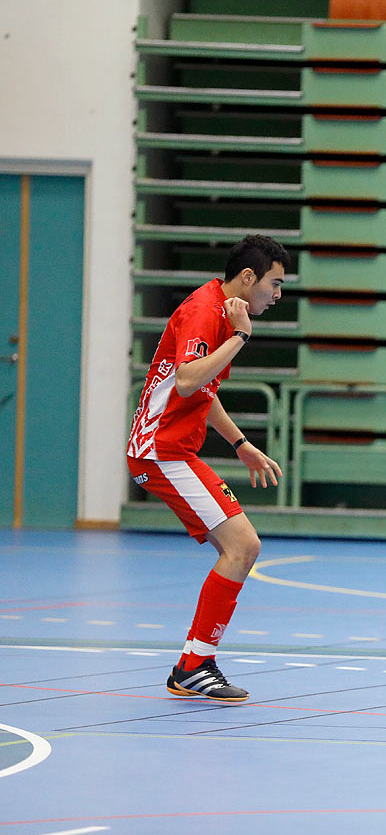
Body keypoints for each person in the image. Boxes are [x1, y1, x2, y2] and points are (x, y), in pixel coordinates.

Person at [127, 235, 289, 703]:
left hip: (173, 449)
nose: (277, 295)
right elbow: (187, 379)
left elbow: (204, 391)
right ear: (246, 278)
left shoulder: (220, 309)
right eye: (274, 284)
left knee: (239, 547)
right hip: (160, 450)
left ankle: (193, 664)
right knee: (243, 546)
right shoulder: (207, 312)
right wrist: (240, 338)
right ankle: (195, 664)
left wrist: (240, 444)